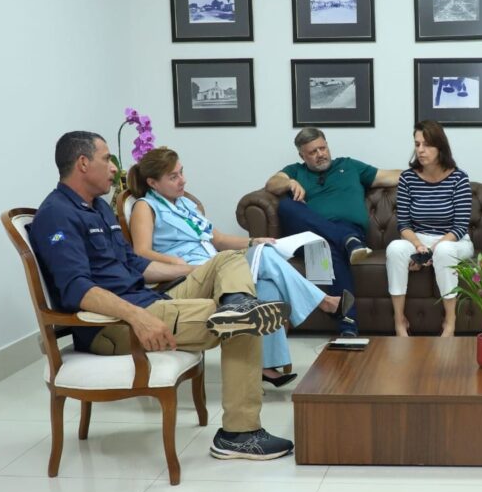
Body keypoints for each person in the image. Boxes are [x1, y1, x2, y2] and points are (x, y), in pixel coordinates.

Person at [30, 131, 293, 460]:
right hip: (113, 323)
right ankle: (239, 434)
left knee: (227, 260)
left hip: (146, 301)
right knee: (244, 324)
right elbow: (76, 289)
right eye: (106, 159)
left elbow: (135, 265)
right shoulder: (57, 214)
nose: (114, 168)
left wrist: (194, 271)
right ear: (83, 163)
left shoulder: (98, 208)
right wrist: (138, 317)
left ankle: (237, 305)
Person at [126, 147, 352, 389]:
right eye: (173, 177)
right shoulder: (145, 207)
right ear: (153, 183)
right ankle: (325, 302)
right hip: (187, 276)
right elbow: (141, 253)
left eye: (181, 172)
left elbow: (219, 240)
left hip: (217, 269)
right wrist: (174, 262)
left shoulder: (185, 204)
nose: (183, 180)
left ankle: (265, 366)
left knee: (266, 281)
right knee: (265, 257)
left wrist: (254, 241)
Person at [265, 128, 400, 336]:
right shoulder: (295, 171)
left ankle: (348, 325)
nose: (320, 154)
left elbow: (390, 176)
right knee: (286, 206)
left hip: (347, 231)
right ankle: (347, 241)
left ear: (327, 146)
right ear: (302, 155)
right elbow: (272, 184)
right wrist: (289, 182)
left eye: (322, 148)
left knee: (329, 249)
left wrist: (429, 172)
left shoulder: (349, 166)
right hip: (310, 238)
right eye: (313, 152)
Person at [385, 121, 473, 337]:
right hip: (419, 239)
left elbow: (460, 226)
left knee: (444, 251)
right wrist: (418, 247)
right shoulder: (408, 178)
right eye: (417, 144)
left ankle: (450, 322)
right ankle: (399, 320)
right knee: (395, 248)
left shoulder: (459, 178)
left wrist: (431, 252)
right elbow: (404, 224)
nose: (420, 150)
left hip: (454, 241)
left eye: (427, 145)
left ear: (440, 147)